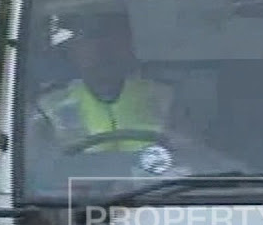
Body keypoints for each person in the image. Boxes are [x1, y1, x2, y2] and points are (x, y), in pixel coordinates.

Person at [32, 10, 175, 154]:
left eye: (110, 38)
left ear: (129, 44)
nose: (100, 50)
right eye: (87, 39)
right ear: (70, 50)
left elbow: (191, 151)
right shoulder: (48, 106)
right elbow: (35, 163)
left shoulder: (167, 96)